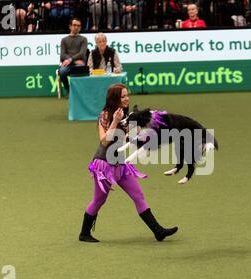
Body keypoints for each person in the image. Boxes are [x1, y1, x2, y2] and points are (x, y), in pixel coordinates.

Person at [79, 83, 178, 242]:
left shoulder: (127, 116)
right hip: (104, 165)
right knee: (99, 200)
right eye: (123, 96)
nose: (127, 99)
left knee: (138, 195)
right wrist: (115, 121)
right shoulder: (104, 115)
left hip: (120, 164)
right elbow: (104, 141)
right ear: (115, 99)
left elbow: (134, 138)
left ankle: (158, 231)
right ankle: (84, 233)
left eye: (127, 95)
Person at [59, 17, 88, 95]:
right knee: (62, 72)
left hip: (79, 64)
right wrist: (72, 60)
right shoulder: (64, 40)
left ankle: (77, 92)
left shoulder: (83, 39)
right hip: (68, 64)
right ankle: (68, 89)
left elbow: (82, 53)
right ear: (70, 26)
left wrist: (70, 59)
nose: (76, 27)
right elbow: (62, 55)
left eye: (78, 26)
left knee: (79, 69)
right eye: (74, 25)